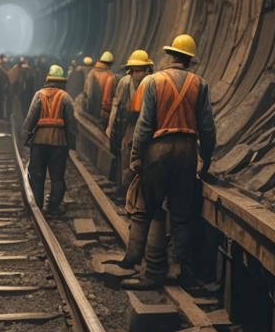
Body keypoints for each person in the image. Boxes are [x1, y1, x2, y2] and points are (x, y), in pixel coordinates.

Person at [121, 34, 216, 289]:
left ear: (170, 56)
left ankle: (152, 272)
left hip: (158, 150)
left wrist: (136, 157)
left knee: (152, 210)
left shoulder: (154, 81)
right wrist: (205, 159)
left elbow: (144, 124)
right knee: (181, 214)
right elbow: (207, 128)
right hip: (186, 151)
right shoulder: (200, 84)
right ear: (189, 60)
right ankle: (179, 270)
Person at [23, 64, 78, 215]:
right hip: (59, 143)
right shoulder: (65, 97)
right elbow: (72, 123)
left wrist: (26, 137)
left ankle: (38, 205)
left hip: (39, 142)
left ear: (48, 79)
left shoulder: (38, 95)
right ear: (62, 81)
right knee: (57, 178)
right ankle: (53, 208)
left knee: (37, 175)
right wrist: (71, 145)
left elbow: (30, 119)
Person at [106, 50, 154, 198]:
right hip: (129, 125)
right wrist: (110, 125)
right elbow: (116, 103)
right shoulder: (125, 82)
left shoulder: (153, 82)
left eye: (139, 71)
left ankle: (139, 194)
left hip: (147, 126)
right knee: (125, 157)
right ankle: (125, 192)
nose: (136, 74)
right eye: (133, 71)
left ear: (147, 70)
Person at [84, 51, 116, 127]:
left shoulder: (91, 72)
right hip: (101, 113)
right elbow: (107, 99)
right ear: (110, 63)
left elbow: (86, 90)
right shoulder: (110, 76)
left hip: (88, 110)